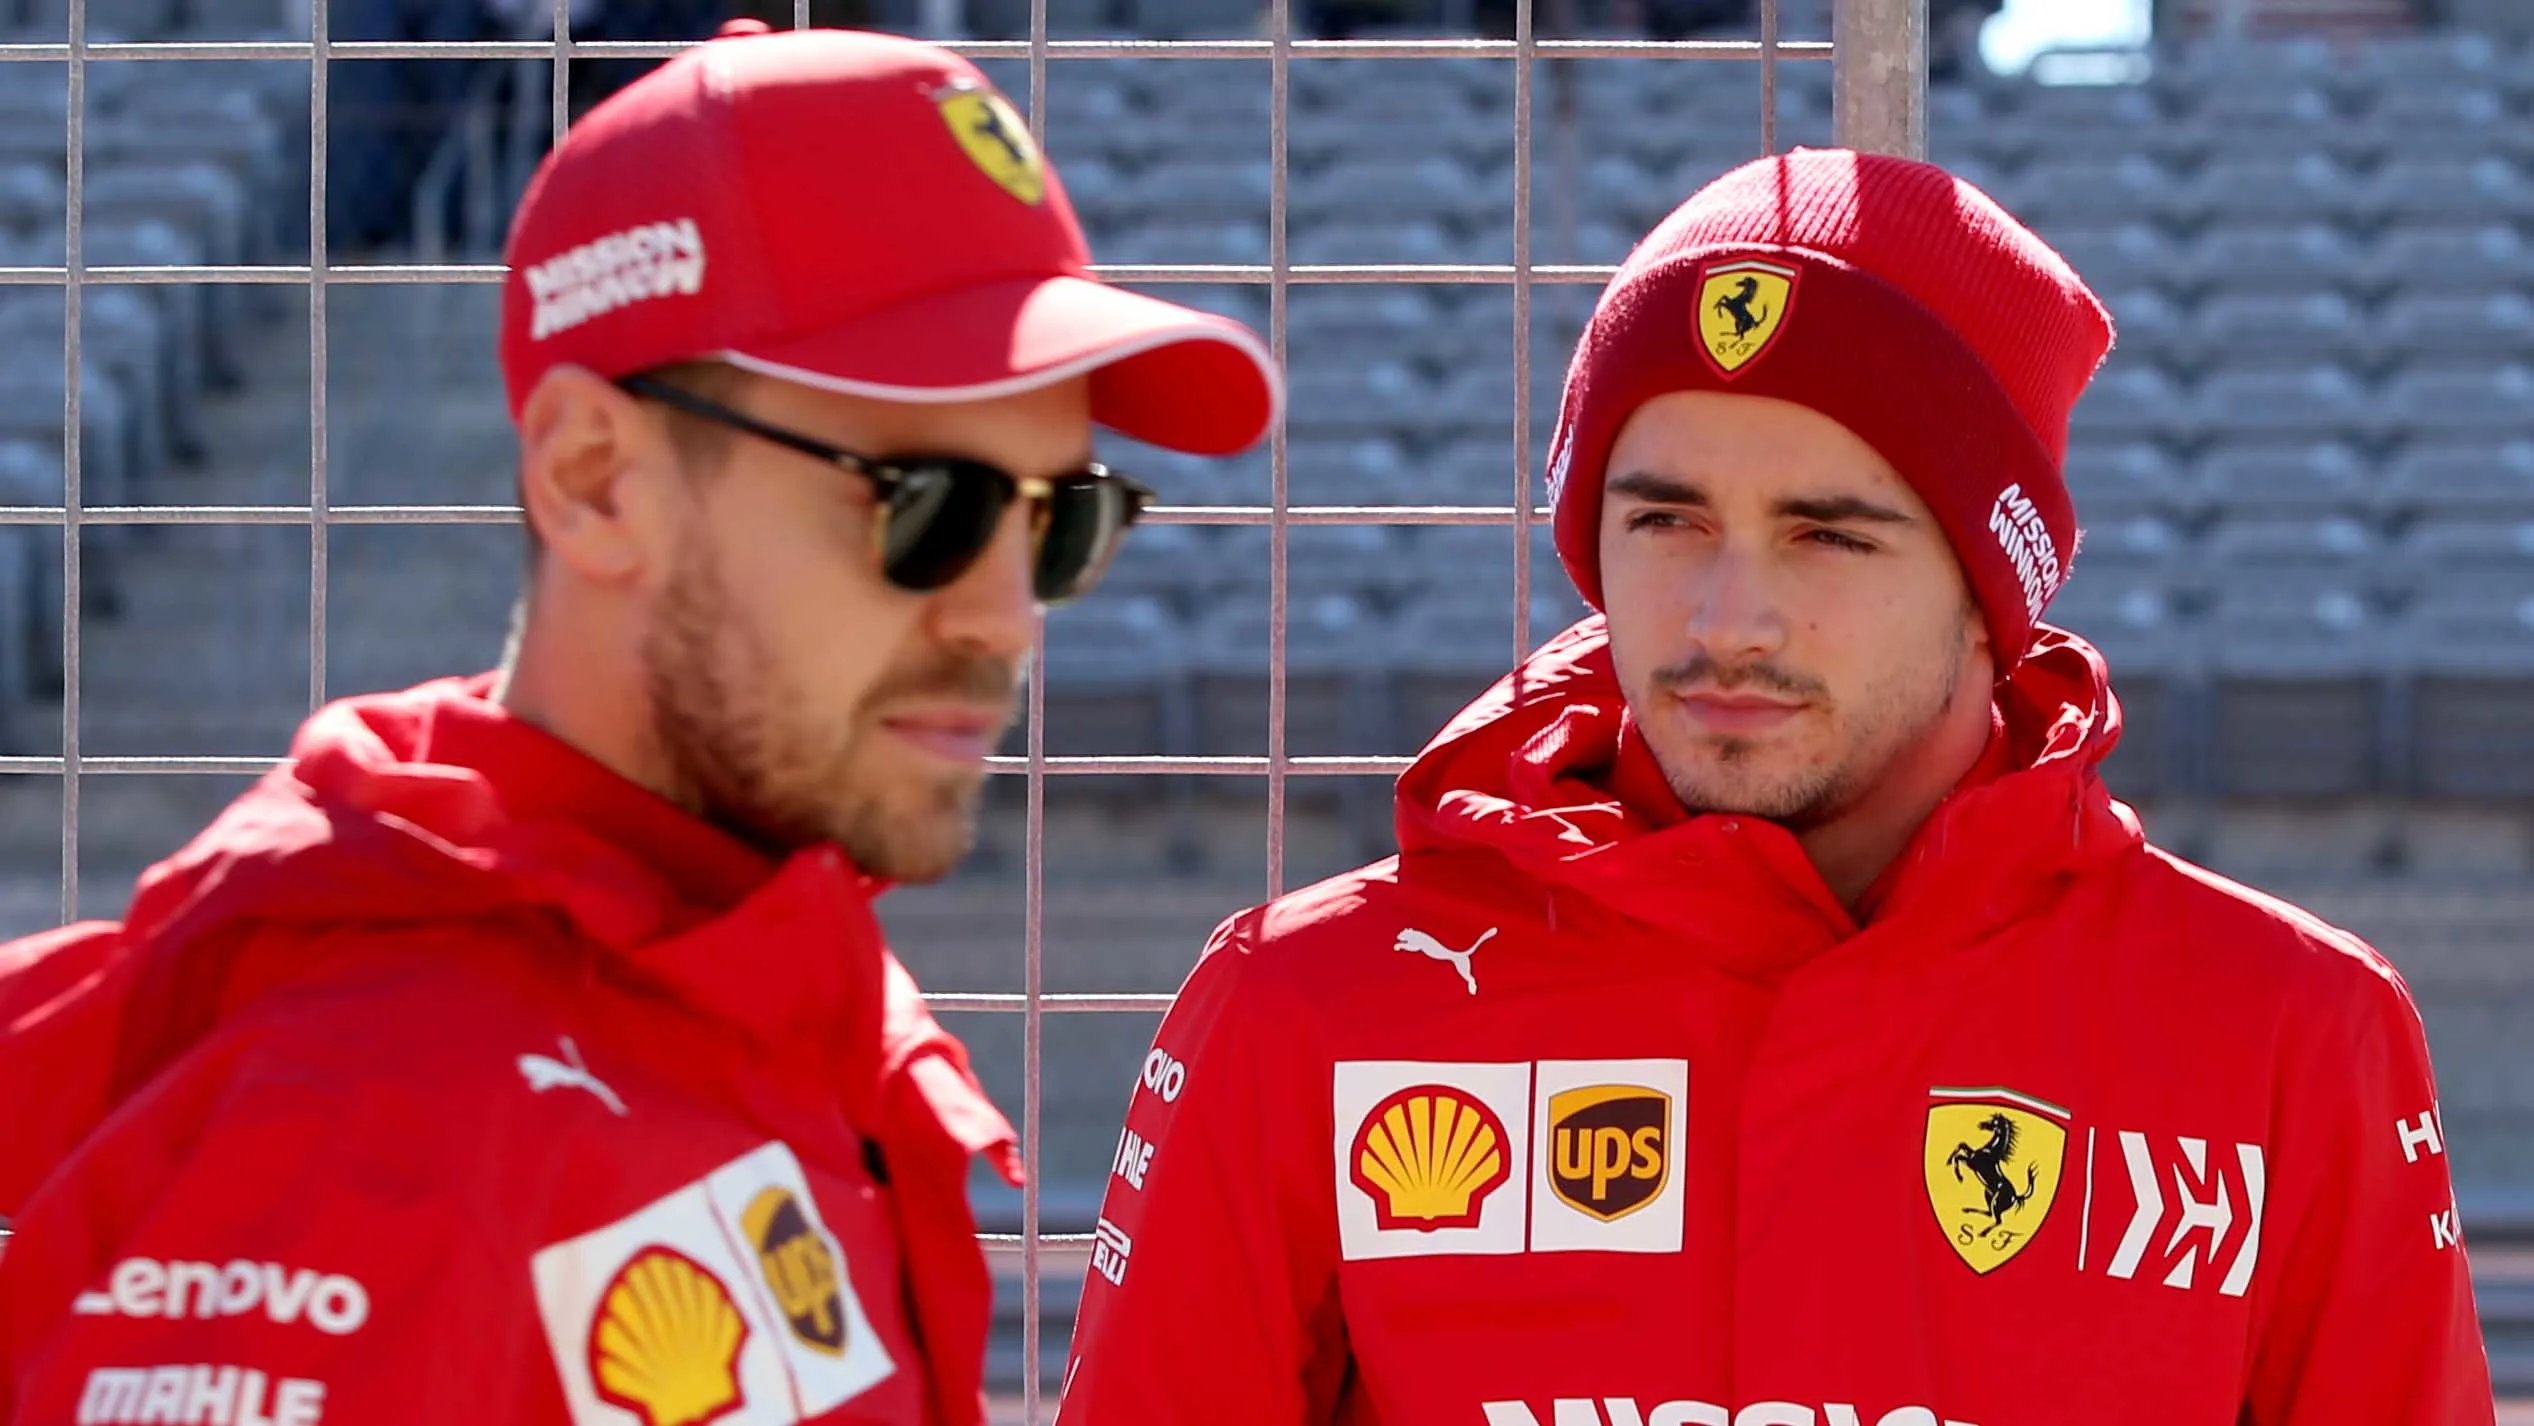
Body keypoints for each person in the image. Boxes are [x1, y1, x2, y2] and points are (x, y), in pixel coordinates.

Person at [1059, 149, 2493, 1426]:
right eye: (1666, 519)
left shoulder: (2288, 1029)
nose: (1726, 618)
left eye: (1828, 535)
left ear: (1991, 599)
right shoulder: (1307, 1005)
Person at [0, 23, 1278, 1426]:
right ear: (596, 479)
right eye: (928, 505)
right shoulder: (374, 1118)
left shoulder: (740, 966)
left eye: (1060, 520)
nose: (1006, 616)